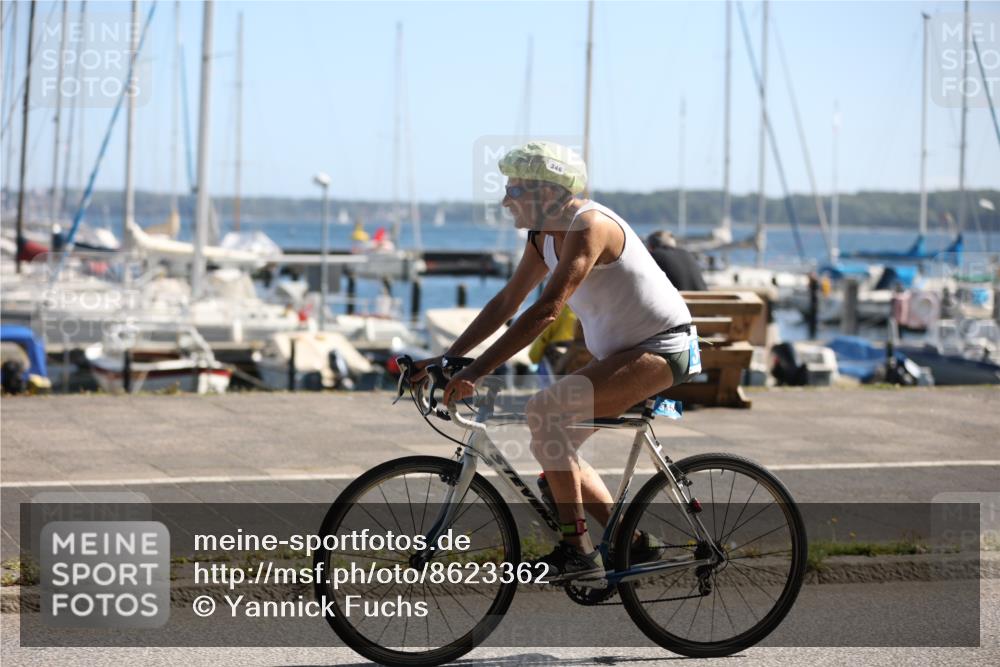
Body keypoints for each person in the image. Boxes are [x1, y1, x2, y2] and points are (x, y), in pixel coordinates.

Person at [410, 141, 696, 580]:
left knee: (543, 413)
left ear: (548, 192)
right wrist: (449, 359)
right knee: (556, 468)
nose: (505, 199)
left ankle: (579, 552)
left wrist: (476, 371)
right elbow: (507, 302)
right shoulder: (543, 235)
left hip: (662, 348)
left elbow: (546, 310)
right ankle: (635, 545)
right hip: (623, 353)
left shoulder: (590, 225)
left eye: (516, 190)